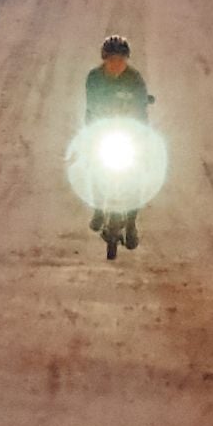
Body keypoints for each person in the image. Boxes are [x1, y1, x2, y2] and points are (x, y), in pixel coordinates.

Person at [85, 34, 150, 259]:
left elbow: (142, 109)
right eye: (112, 60)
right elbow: (91, 106)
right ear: (104, 60)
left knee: (137, 176)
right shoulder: (94, 78)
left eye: (121, 60)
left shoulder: (135, 79)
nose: (116, 65)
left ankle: (131, 222)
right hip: (102, 131)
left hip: (128, 134)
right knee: (93, 165)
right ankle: (98, 208)